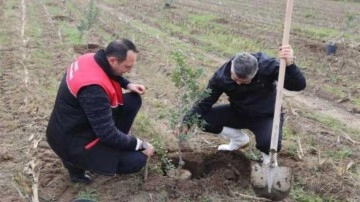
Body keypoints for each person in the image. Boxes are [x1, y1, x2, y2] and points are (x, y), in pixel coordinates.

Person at [46, 39, 155, 184]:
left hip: (70, 123)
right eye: (127, 67)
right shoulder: (93, 90)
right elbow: (107, 133)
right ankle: (75, 166)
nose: (129, 71)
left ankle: (114, 145)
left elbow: (108, 72)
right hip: (71, 141)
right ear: (112, 60)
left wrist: (127, 84)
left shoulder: (89, 58)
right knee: (136, 160)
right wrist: (141, 145)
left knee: (133, 100)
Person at [177, 45, 306, 165]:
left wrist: (290, 65)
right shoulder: (220, 77)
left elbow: (298, 85)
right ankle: (239, 140)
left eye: (244, 81)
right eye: (235, 79)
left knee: (268, 144)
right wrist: (187, 121)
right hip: (239, 113)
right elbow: (205, 101)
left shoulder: (267, 66)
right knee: (201, 120)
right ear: (232, 67)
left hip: (266, 116)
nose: (238, 83)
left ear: (255, 72)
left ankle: (269, 162)